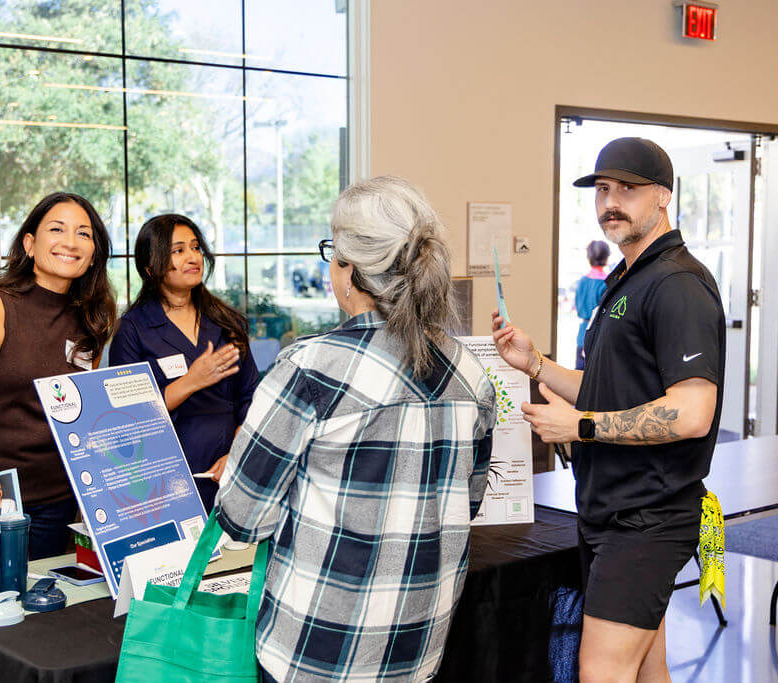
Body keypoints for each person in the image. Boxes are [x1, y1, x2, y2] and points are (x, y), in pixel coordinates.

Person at [216, 176, 495, 682]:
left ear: (350, 270)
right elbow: (467, 503)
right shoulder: (470, 374)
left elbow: (243, 517)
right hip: (419, 646)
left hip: (315, 649)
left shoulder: (310, 368)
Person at [491, 137, 725, 682]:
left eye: (627, 189)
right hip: (609, 512)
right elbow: (609, 390)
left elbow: (692, 412)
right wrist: (536, 364)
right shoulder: (627, 279)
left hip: (647, 520)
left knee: (601, 671)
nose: (610, 202)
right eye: (601, 189)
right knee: (647, 669)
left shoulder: (678, 285)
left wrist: (582, 427)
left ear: (663, 196)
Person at [0, 191, 116, 590]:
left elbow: (77, 413)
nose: (70, 242)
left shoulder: (93, 318)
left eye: (83, 233)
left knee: (45, 613)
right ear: (30, 243)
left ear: (94, 253)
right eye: (57, 229)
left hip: (56, 499)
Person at [107, 214, 259, 512]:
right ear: (150, 267)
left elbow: (252, 400)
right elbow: (127, 418)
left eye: (195, 247)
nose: (193, 257)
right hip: (164, 479)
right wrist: (191, 381)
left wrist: (236, 454)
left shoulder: (227, 322)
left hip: (229, 471)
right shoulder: (133, 329)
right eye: (178, 250)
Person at [574, 240, 610, 369]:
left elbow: (578, 307)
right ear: (606, 257)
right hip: (598, 336)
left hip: (582, 335)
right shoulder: (607, 283)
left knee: (578, 376)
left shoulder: (582, 281)